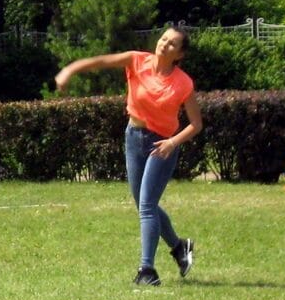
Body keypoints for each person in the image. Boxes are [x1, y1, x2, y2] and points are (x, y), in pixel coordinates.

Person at [55, 26, 202, 286]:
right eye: (164, 39)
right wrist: (69, 70)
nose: (164, 45)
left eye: (172, 44)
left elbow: (195, 124)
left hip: (162, 145)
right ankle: (180, 247)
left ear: (180, 55)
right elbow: (100, 61)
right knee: (146, 205)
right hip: (134, 137)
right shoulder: (137, 61)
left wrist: (172, 142)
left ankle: (147, 271)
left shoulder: (182, 83)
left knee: (146, 206)